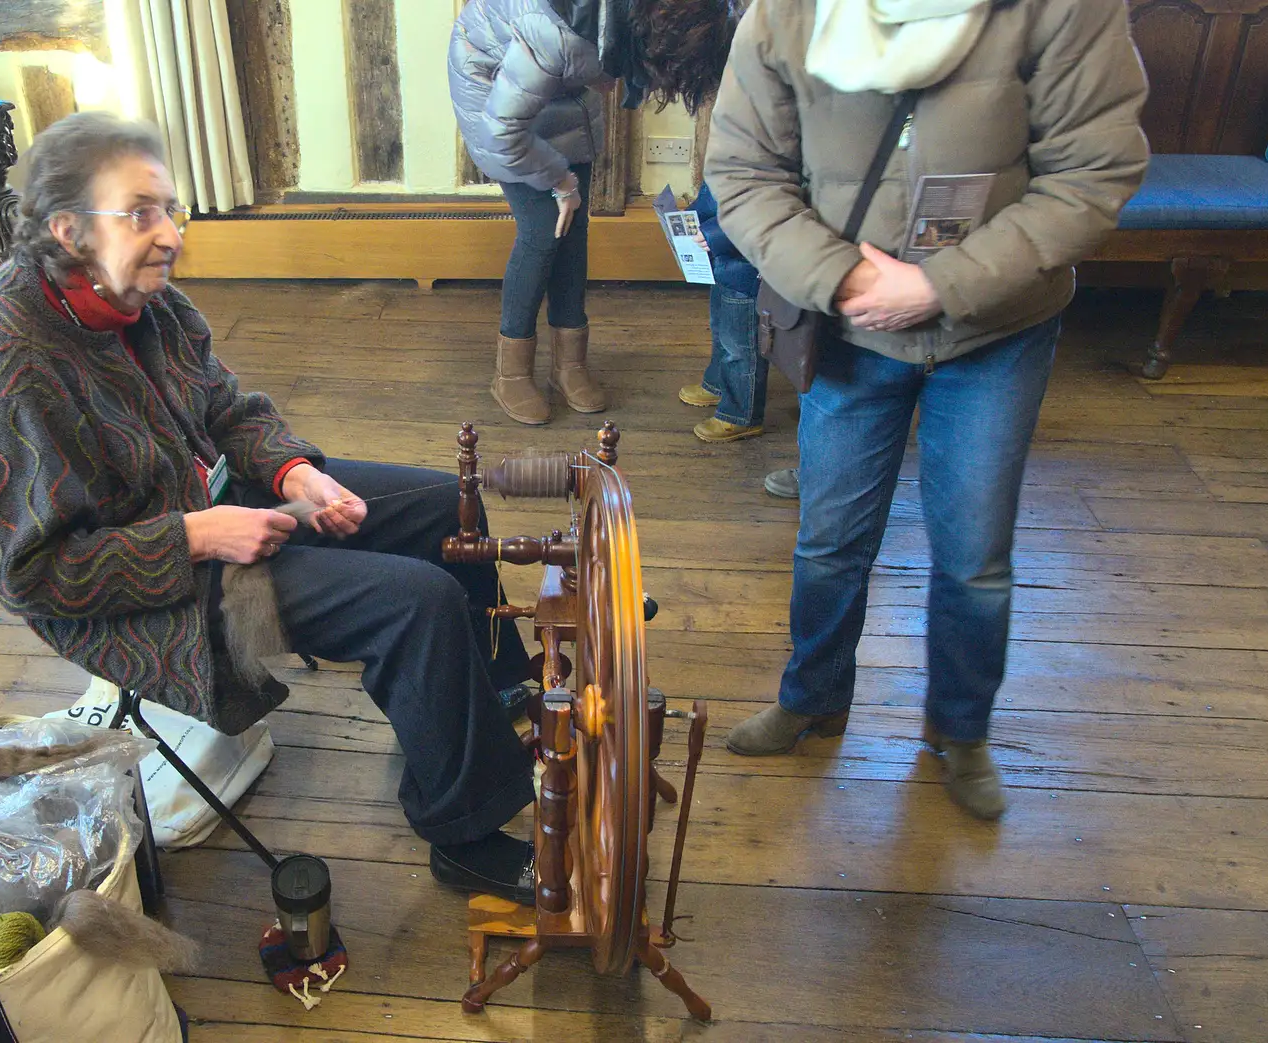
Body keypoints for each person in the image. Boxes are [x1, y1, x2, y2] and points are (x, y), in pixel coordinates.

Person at [0, 112, 540, 902]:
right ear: (69, 228)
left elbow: (224, 405)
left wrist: (290, 474)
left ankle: (495, 695)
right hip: (146, 589)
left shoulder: (130, 292)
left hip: (208, 506)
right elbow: (38, 578)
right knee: (415, 604)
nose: (170, 234)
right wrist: (197, 537)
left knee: (446, 507)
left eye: (171, 209)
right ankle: (463, 829)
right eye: (142, 212)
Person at [706, 0, 1149, 818]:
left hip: (997, 329)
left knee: (975, 555)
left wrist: (942, 287)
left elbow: (1093, 171)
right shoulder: (785, 11)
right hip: (848, 326)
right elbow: (742, 170)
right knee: (829, 540)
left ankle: (960, 730)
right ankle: (812, 697)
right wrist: (845, 279)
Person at [449, 0, 737, 425]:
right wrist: (560, 181)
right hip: (494, 93)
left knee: (574, 228)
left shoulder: (620, 25)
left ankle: (569, 365)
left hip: (556, 89)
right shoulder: (557, 38)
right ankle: (511, 371)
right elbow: (501, 133)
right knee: (543, 231)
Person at [678, 178, 770, 445]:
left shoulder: (765, 156)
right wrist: (690, 218)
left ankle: (741, 414)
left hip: (747, 267)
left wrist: (715, 234)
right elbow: (714, 193)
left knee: (742, 346)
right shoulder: (734, 149)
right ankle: (718, 383)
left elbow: (763, 208)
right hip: (724, 262)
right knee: (721, 330)